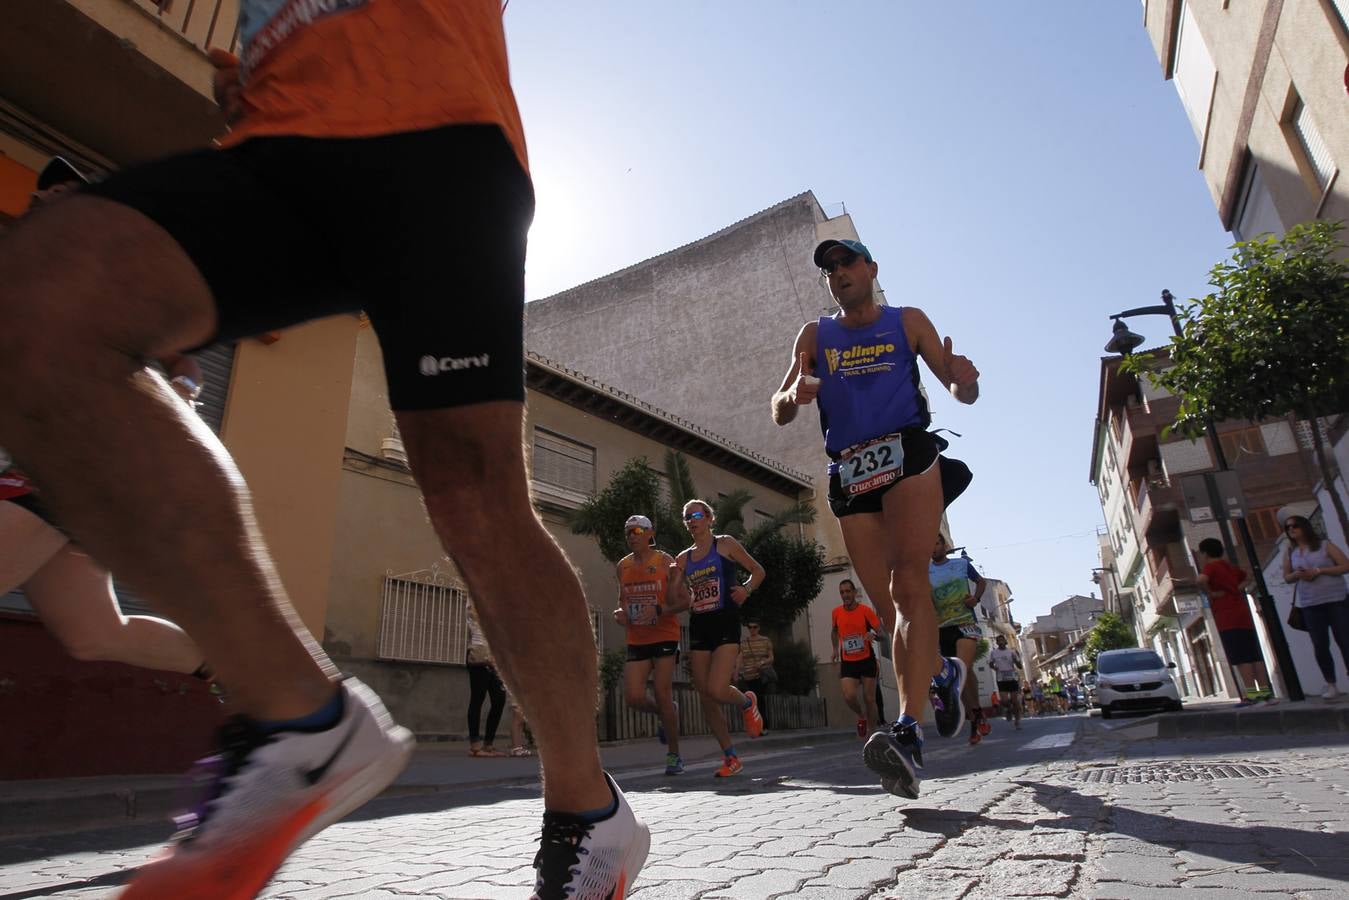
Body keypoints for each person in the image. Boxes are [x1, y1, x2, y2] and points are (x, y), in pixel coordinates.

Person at [0, 5, 649, 897]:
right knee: (41, 308)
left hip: (437, 130)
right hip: (278, 146)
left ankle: (588, 812)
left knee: (475, 498)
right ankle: (302, 720)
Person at [772, 237, 980, 800]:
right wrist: (794, 394)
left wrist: (965, 379)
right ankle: (941, 674)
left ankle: (908, 732)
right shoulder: (815, 335)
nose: (838, 273)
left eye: (846, 263)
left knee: (908, 580)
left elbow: (959, 389)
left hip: (908, 454)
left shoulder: (907, 320)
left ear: (870, 269)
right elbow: (781, 407)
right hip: (850, 470)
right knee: (889, 612)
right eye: (829, 269)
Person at [0, 158, 216, 685]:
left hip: (67, 465)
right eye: (45, 195)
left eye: (68, 196)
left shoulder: (111, 282)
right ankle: (251, 677)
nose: (50, 202)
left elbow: (184, 364)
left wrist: (179, 399)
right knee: (95, 634)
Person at [675, 500, 767, 778]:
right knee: (705, 697)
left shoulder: (724, 544)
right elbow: (674, 596)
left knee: (716, 689)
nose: (693, 520)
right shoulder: (683, 559)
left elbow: (758, 571)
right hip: (700, 625)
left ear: (709, 519)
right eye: (687, 517)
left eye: (698, 515)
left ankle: (747, 703)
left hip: (725, 623)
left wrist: (747, 590)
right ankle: (731, 758)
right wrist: (681, 596)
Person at [613, 514, 687, 776]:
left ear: (649, 533)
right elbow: (622, 600)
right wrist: (621, 614)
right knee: (633, 696)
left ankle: (674, 755)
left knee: (661, 691)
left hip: (665, 635)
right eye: (628, 532)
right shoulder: (622, 566)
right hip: (637, 638)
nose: (632, 535)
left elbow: (684, 601)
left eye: (637, 530)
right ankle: (668, 713)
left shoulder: (666, 562)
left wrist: (659, 609)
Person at [1194, 538, 1275, 705]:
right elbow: (1247, 578)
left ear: (1205, 553)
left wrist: (1211, 593)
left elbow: (1200, 580)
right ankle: (1266, 694)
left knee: (1241, 658)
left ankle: (1252, 696)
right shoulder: (1229, 567)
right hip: (1243, 614)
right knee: (1255, 657)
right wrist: (1236, 589)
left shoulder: (1211, 567)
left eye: (1201, 553)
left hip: (1227, 617)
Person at [929, 534, 989, 745]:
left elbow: (981, 582)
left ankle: (974, 721)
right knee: (956, 676)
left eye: (936, 543)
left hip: (965, 623)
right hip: (941, 627)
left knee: (962, 668)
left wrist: (976, 599)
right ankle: (976, 714)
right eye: (929, 545)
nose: (933, 548)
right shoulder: (925, 571)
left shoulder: (961, 564)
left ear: (944, 546)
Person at [1283, 515, 1349, 700]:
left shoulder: (1324, 545)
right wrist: (1297, 574)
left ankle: (1256, 696)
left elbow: (1346, 565)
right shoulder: (1291, 551)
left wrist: (1320, 571)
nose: (1291, 530)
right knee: (1320, 645)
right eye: (1287, 528)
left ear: (1305, 527)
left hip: (1336, 599)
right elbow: (1286, 577)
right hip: (1311, 603)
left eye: (1295, 526)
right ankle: (1331, 684)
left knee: (1345, 640)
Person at [830, 578, 885, 737]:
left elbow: (882, 634)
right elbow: (834, 631)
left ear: (854, 593)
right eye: (842, 592)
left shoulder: (866, 611)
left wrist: (873, 635)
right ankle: (861, 716)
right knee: (849, 696)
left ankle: (873, 733)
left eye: (848, 591)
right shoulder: (836, 612)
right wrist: (835, 649)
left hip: (866, 659)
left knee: (869, 699)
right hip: (848, 661)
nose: (845, 595)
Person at [465, 603, 508, 758]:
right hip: (479, 655)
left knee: (499, 699)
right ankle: (475, 746)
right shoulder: (474, 600)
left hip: (494, 658)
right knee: (477, 699)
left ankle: (488, 744)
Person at [737, 618, 776, 732]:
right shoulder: (744, 642)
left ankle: (764, 726)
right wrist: (736, 672)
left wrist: (762, 663)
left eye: (755, 627)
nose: (752, 629)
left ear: (759, 628)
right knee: (750, 702)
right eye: (750, 627)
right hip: (748, 675)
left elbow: (771, 657)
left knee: (759, 699)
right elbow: (740, 657)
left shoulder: (765, 640)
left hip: (761, 674)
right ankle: (756, 725)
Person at [988, 635, 1023, 729]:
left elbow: (1020, 666)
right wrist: (995, 668)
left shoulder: (1011, 652)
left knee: (1014, 700)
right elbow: (990, 663)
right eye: (998, 641)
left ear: (1005, 641)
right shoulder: (993, 653)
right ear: (996, 642)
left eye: (1002, 640)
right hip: (1001, 678)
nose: (1000, 642)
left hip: (1012, 677)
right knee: (1004, 701)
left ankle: (1017, 720)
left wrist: (1016, 660)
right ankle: (1009, 708)